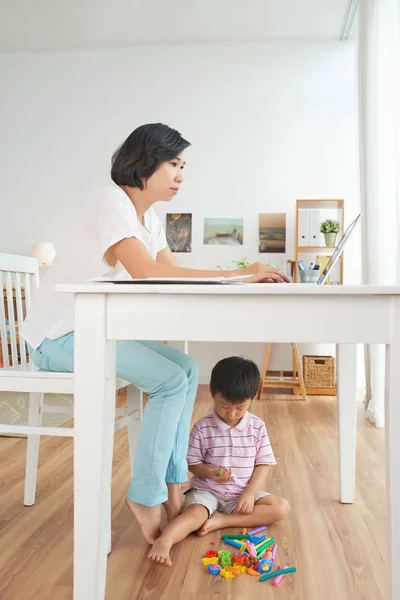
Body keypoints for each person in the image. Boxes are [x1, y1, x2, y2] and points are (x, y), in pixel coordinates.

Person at [21, 123, 289, 546]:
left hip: (89, 328)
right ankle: (145, 495)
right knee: (168, 381)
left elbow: (173, 276)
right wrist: (241, 273)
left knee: (185, 368)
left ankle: (172, 484)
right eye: (173, 164)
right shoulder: (111, 201)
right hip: (58, 337)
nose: (181, 175)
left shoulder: (151, 219)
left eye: (183, 165)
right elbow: (147, 273)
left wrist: (241, 277)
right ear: (145, 162)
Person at [148, 356, 290, 566]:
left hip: (241, 494)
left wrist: (250, 494)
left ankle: (222, 521)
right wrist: (209, 473)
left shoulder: (257, 427)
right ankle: (165, 540)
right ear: (212, 393)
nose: (231, 414)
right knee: (194, 515)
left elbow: (263, 464)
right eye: (224, 406)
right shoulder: (202, 428)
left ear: (251, 398)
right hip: (207, 492)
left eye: (240, 408)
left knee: (281, 507)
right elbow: (192, 463)